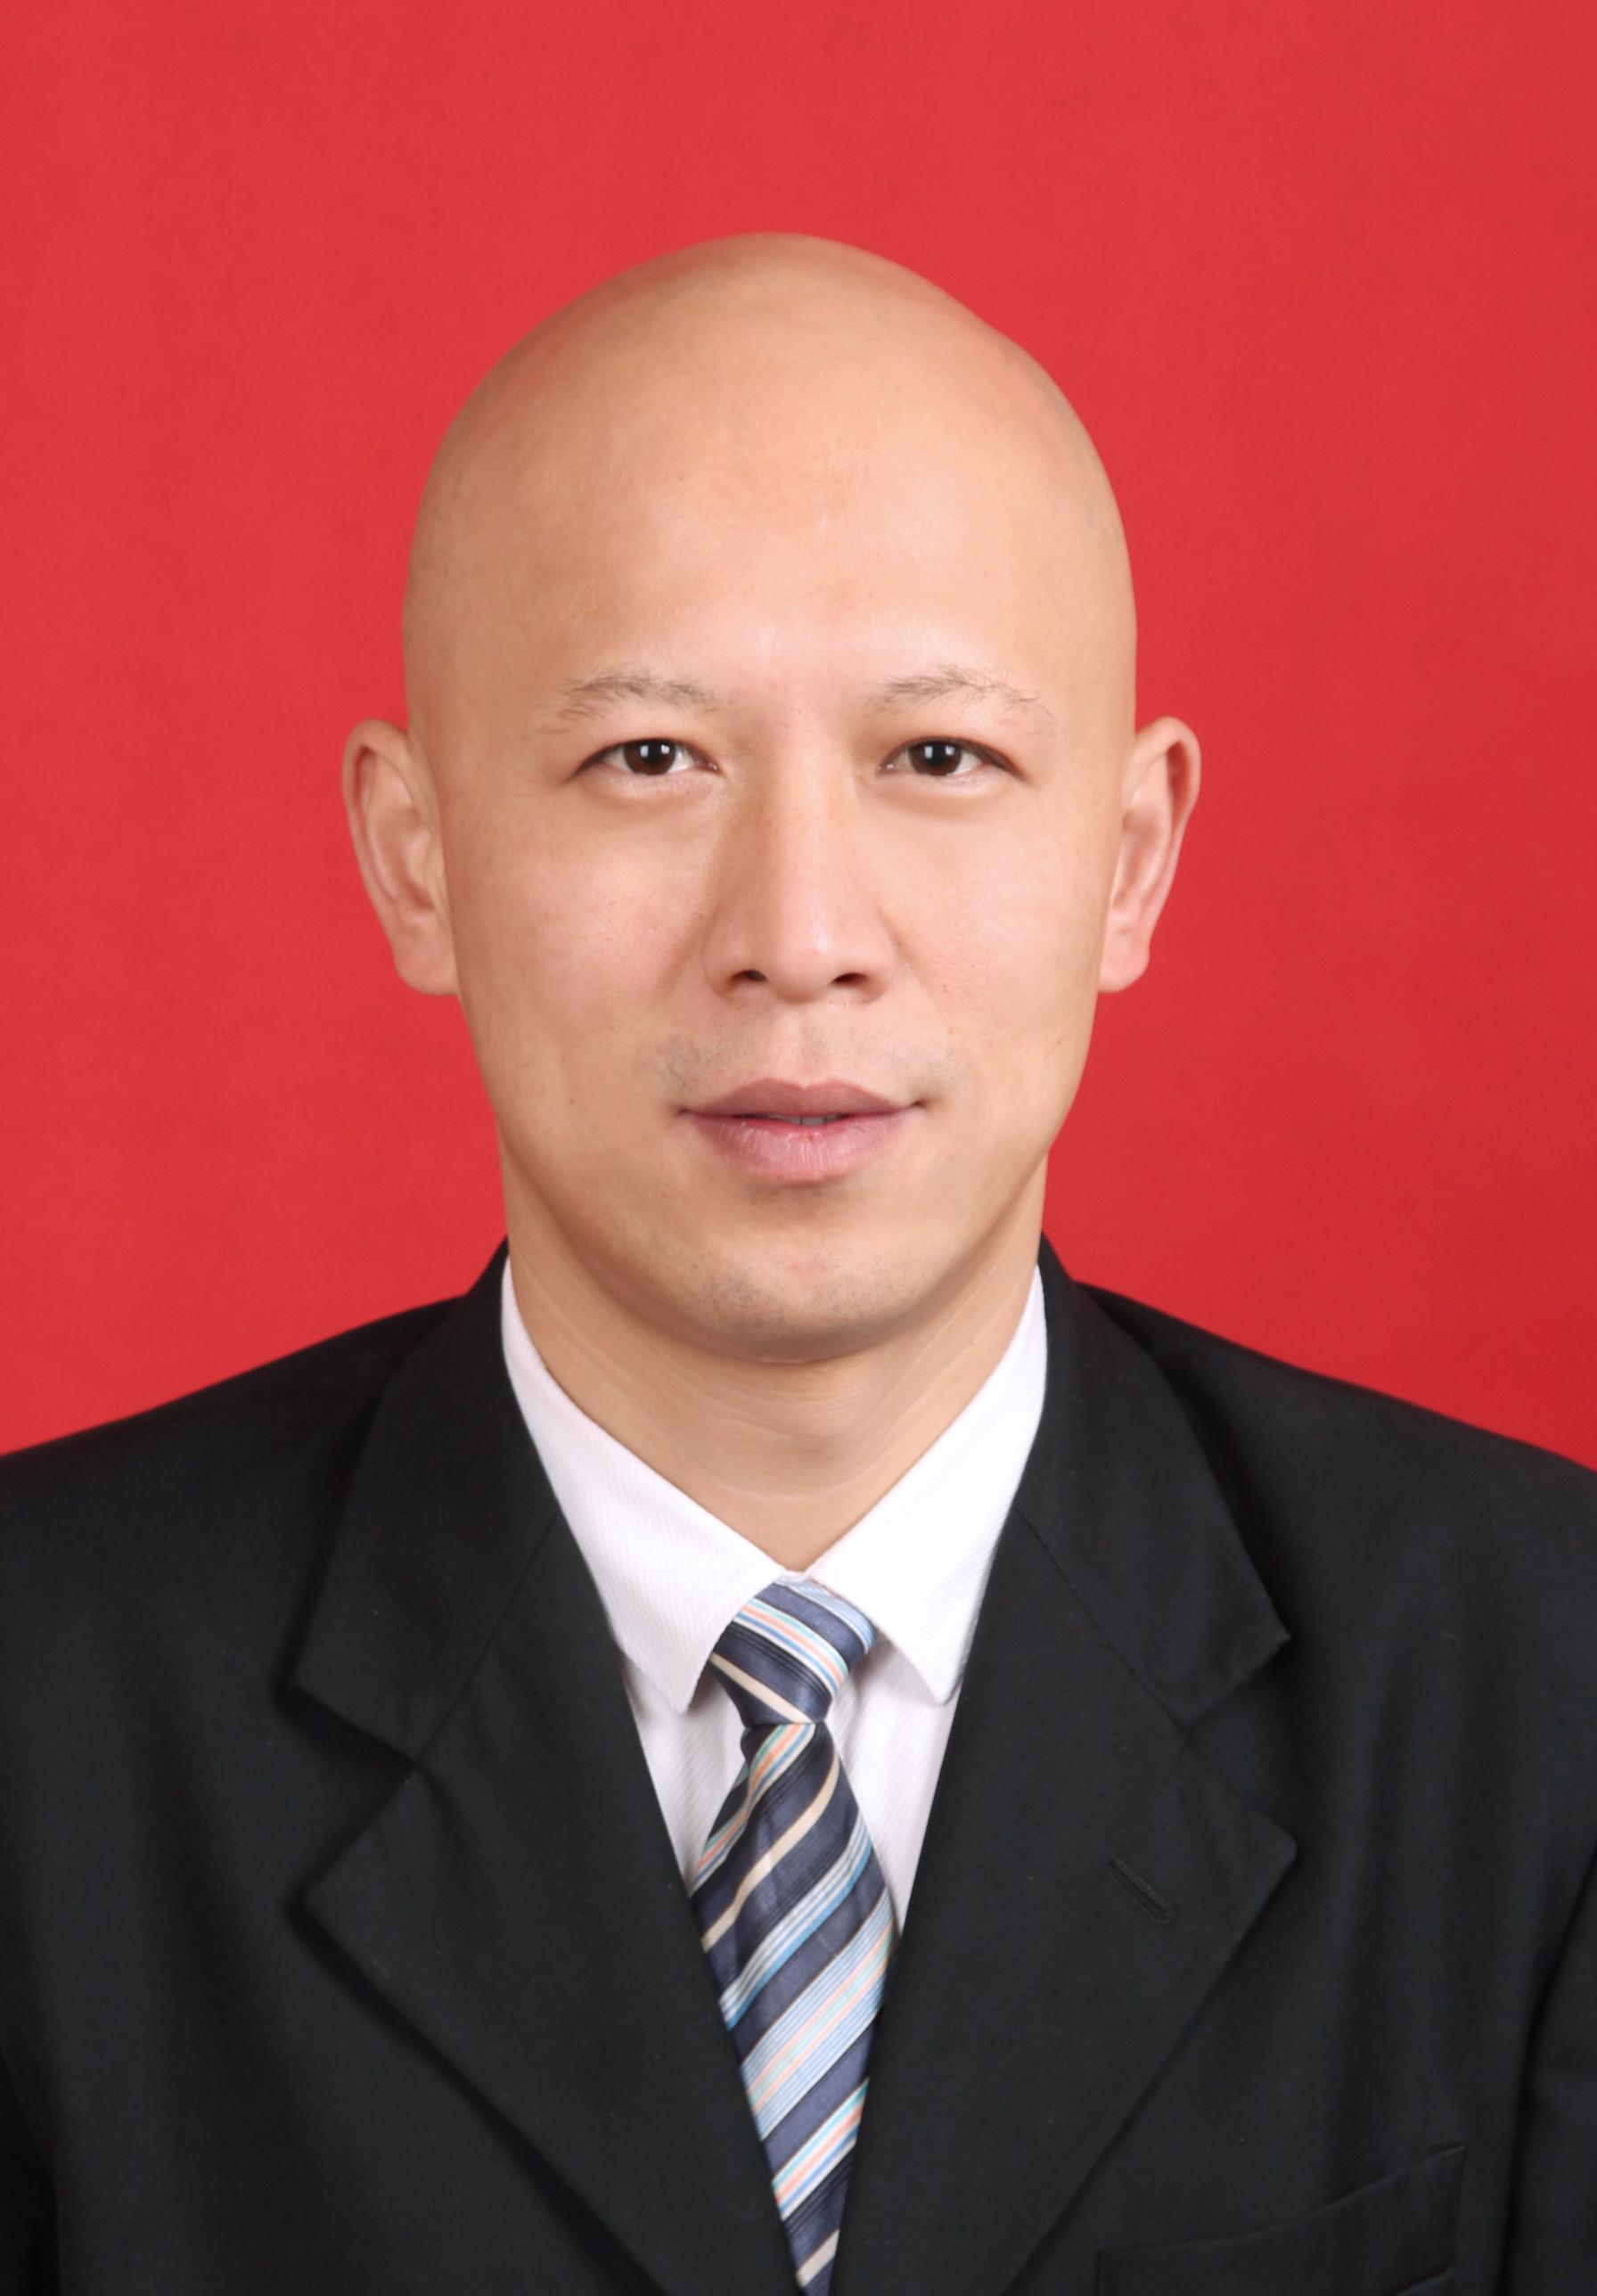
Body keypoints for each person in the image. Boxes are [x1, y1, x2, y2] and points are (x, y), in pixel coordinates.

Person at [0, 234, 1593, 2296]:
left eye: (938, 759)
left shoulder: (1537, 1695)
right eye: (648, 759)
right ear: (417, 856)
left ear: (1128, 859)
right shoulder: (45, 1709)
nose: (800, 932)